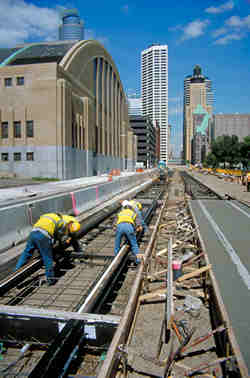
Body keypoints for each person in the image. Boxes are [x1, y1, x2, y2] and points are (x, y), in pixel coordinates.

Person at [15, 213, 81, 285]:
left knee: (26, 254)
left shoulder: (50, 216)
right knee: (47, 257)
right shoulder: (62, 222)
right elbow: (57, 236)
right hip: (43, 236)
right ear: (70, 224)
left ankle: (15, 275)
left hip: (33, 233)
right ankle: (50, 279)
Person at [114, 200, 143, 265]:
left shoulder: (120, 213)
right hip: (129, 226)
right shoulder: (133, 213)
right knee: (134, 244)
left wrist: (117, 230)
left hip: (119, 226)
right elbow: (138, 224)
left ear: (123, 207)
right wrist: (138, 229)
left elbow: (114, 224)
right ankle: (138, 260)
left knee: (117, 244)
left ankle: (116, 260)